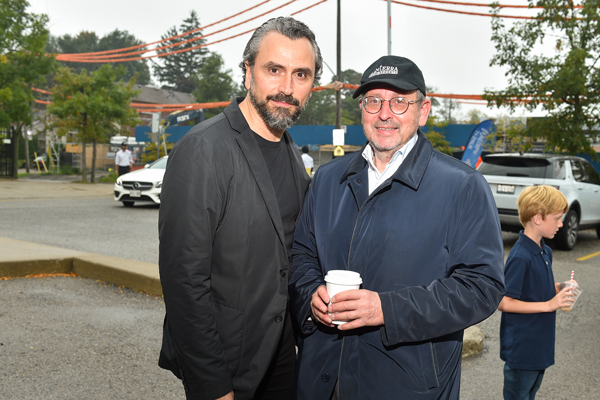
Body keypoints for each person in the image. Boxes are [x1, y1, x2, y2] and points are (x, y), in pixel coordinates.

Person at [288, 55, 506, 400]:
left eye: (399, 102)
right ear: (361, 110)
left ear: (423, 111)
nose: (385, 113)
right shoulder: (329, 178)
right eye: (373, 101)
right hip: (320, 378)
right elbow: (301, 253)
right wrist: (310, 292)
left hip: (407, 387)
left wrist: (387, 310)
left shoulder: (462, 186)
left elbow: (482, 287)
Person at [157, 17, 322, 400]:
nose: (286, 88)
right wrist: (213, 385)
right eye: (274, 70)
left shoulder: (291, 153)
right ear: (248, 72)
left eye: (301, 74)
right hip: (227, 363)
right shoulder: (204, 149)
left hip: (281, 355)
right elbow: (184, 282)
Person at [498, 185, 573, 400]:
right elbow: (504, 302)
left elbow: (534, 287)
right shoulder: (520, 256)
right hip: (523, 350)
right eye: (557, 218)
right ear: (538, 218)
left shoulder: (544, 250)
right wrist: (550, 304)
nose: (561, 224)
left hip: (539, 346)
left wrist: (558, 287)